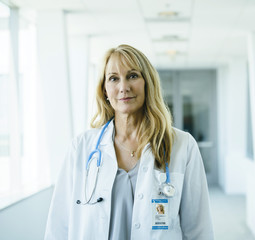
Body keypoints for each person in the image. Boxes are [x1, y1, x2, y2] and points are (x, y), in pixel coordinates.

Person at [44, 44, 214, 240]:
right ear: (105, 90)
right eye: (114, 78)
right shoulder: (81, 147)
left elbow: (199, 230)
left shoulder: (182, 146)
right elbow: (58, 226)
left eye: (133, 76)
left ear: (147, 83)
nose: (124, 87)